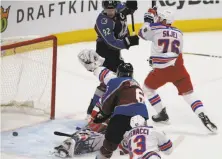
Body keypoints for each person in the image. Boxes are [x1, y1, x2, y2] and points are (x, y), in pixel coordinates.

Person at [138, 7, 217, 132]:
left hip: (162, 71)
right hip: (179, 69)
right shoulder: (179, 32)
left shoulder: (155, 28)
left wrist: (148, 19)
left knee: (147, 89)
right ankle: (203, 115)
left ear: (163, 19)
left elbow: (142, 33)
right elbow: (175, 52)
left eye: (160, 17)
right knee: (189, 95)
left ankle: (162, 114)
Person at [78, 49, 149, 159]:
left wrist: (101, 116)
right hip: (142, 119)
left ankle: (107, 149)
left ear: (119, 73)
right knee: (135, 142)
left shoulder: (115, 80)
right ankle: (126, 143)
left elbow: (107, 101)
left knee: (108, 145)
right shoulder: (135, 83)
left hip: (122, 116)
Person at [86, 0, 139, 118]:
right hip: (105, 52)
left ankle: (113, 105)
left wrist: (130, 8)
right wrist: (128, 42)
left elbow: (124, 8)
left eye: (112, 9)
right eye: (107, 9)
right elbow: (111, 43)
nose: (110, 12)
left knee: (119, 79)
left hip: (115, 53)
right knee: (109, 81)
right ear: (103, 8)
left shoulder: (117, 6)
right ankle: (93, 109)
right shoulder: (102, 20)